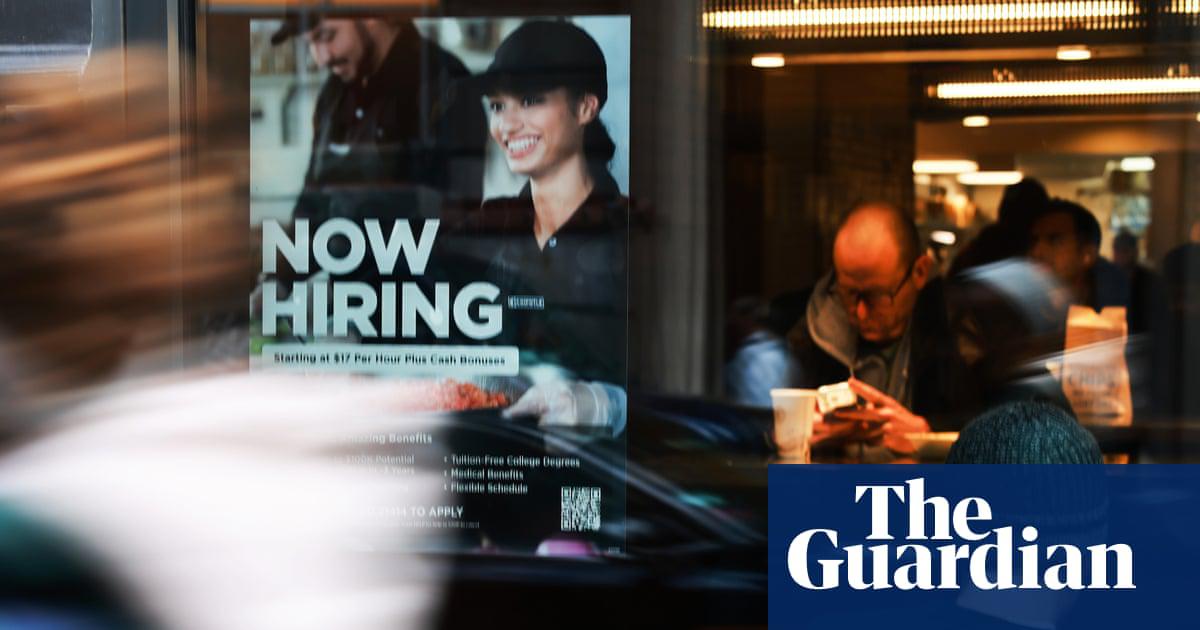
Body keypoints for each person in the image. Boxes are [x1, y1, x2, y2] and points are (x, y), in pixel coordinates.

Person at [264, 15, 488, 343]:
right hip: (351, 318)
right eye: (311, 43)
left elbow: (449, 226)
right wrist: (278, 281)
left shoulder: (444, 85)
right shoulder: (334, 95)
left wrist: (356, 307)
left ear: (368, 15)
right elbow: (314, 203)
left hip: (424, 330)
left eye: (327, 36)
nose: (321, 57)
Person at [471, 20, 628, 436]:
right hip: (499, 472)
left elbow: (667, 392)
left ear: (585, 108)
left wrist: (602, 405)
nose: (507, 125)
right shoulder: (490, 230)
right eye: (498, 106)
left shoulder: (631, 237)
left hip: (597, 482)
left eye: (529, 100)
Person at [788, 202, 977, 454]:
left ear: (920, 272)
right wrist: (801, 433)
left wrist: (927, 436)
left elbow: (1002, 438)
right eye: (848, 293)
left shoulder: (959, 332)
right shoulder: (807, 334)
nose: (860, 312)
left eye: (876, 295)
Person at [724, 296, 800, 407]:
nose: (730, 325)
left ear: (747, 319)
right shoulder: (783, 353)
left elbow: (760, 409)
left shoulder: (751, 359)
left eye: (734, 320)